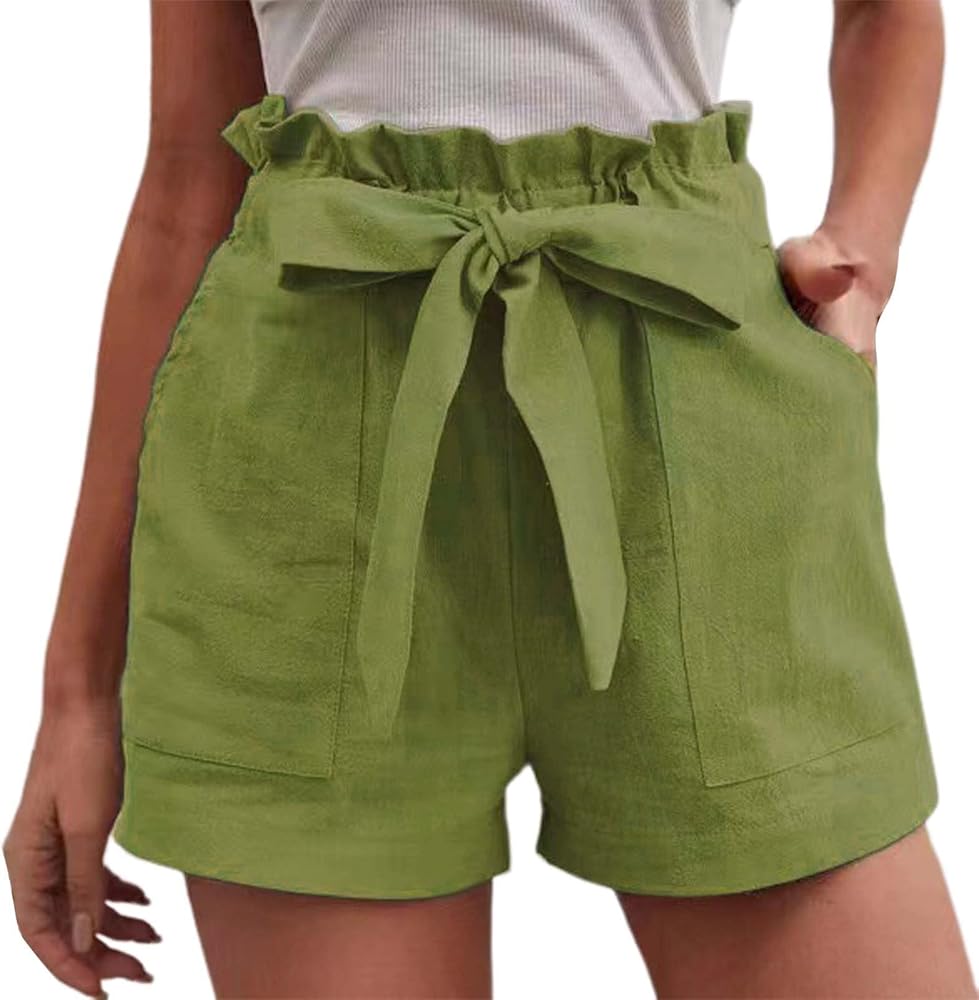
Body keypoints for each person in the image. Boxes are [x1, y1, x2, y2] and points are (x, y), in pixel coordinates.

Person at [4, 1, 975, 997]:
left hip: (690, 414)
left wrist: (864, 256)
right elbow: (188, 178)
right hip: (309, 465)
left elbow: (886, 13)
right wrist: (77, 692)